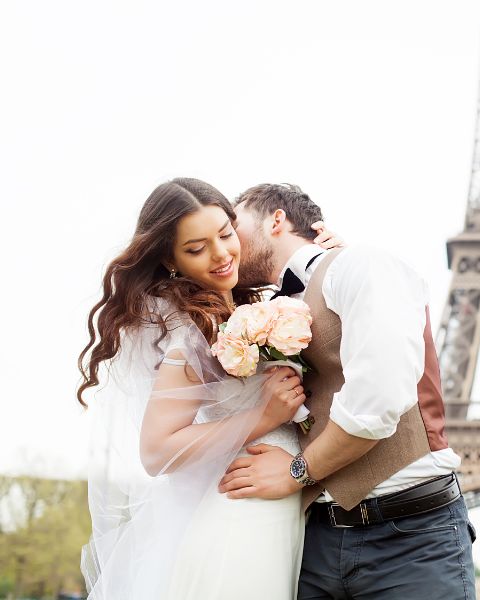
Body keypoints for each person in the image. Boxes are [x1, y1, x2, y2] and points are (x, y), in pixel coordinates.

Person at [77, 177, 342, 599]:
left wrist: (328, 261)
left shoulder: (250, 306)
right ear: (170, 261)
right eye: (196, 249)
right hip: (245, 509)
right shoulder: (189, 331)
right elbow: (157, 451)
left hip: (280, 505)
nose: (220, 255)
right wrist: (262, 417)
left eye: (225, 235)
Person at [219, 183, 477, 599]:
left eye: (232, 224)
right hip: (312, 543)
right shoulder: (254, 316)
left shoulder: (360, 265)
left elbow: (377, 400)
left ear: (277, 219)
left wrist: (295, 471)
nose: (225, 242)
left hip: (409, 538)